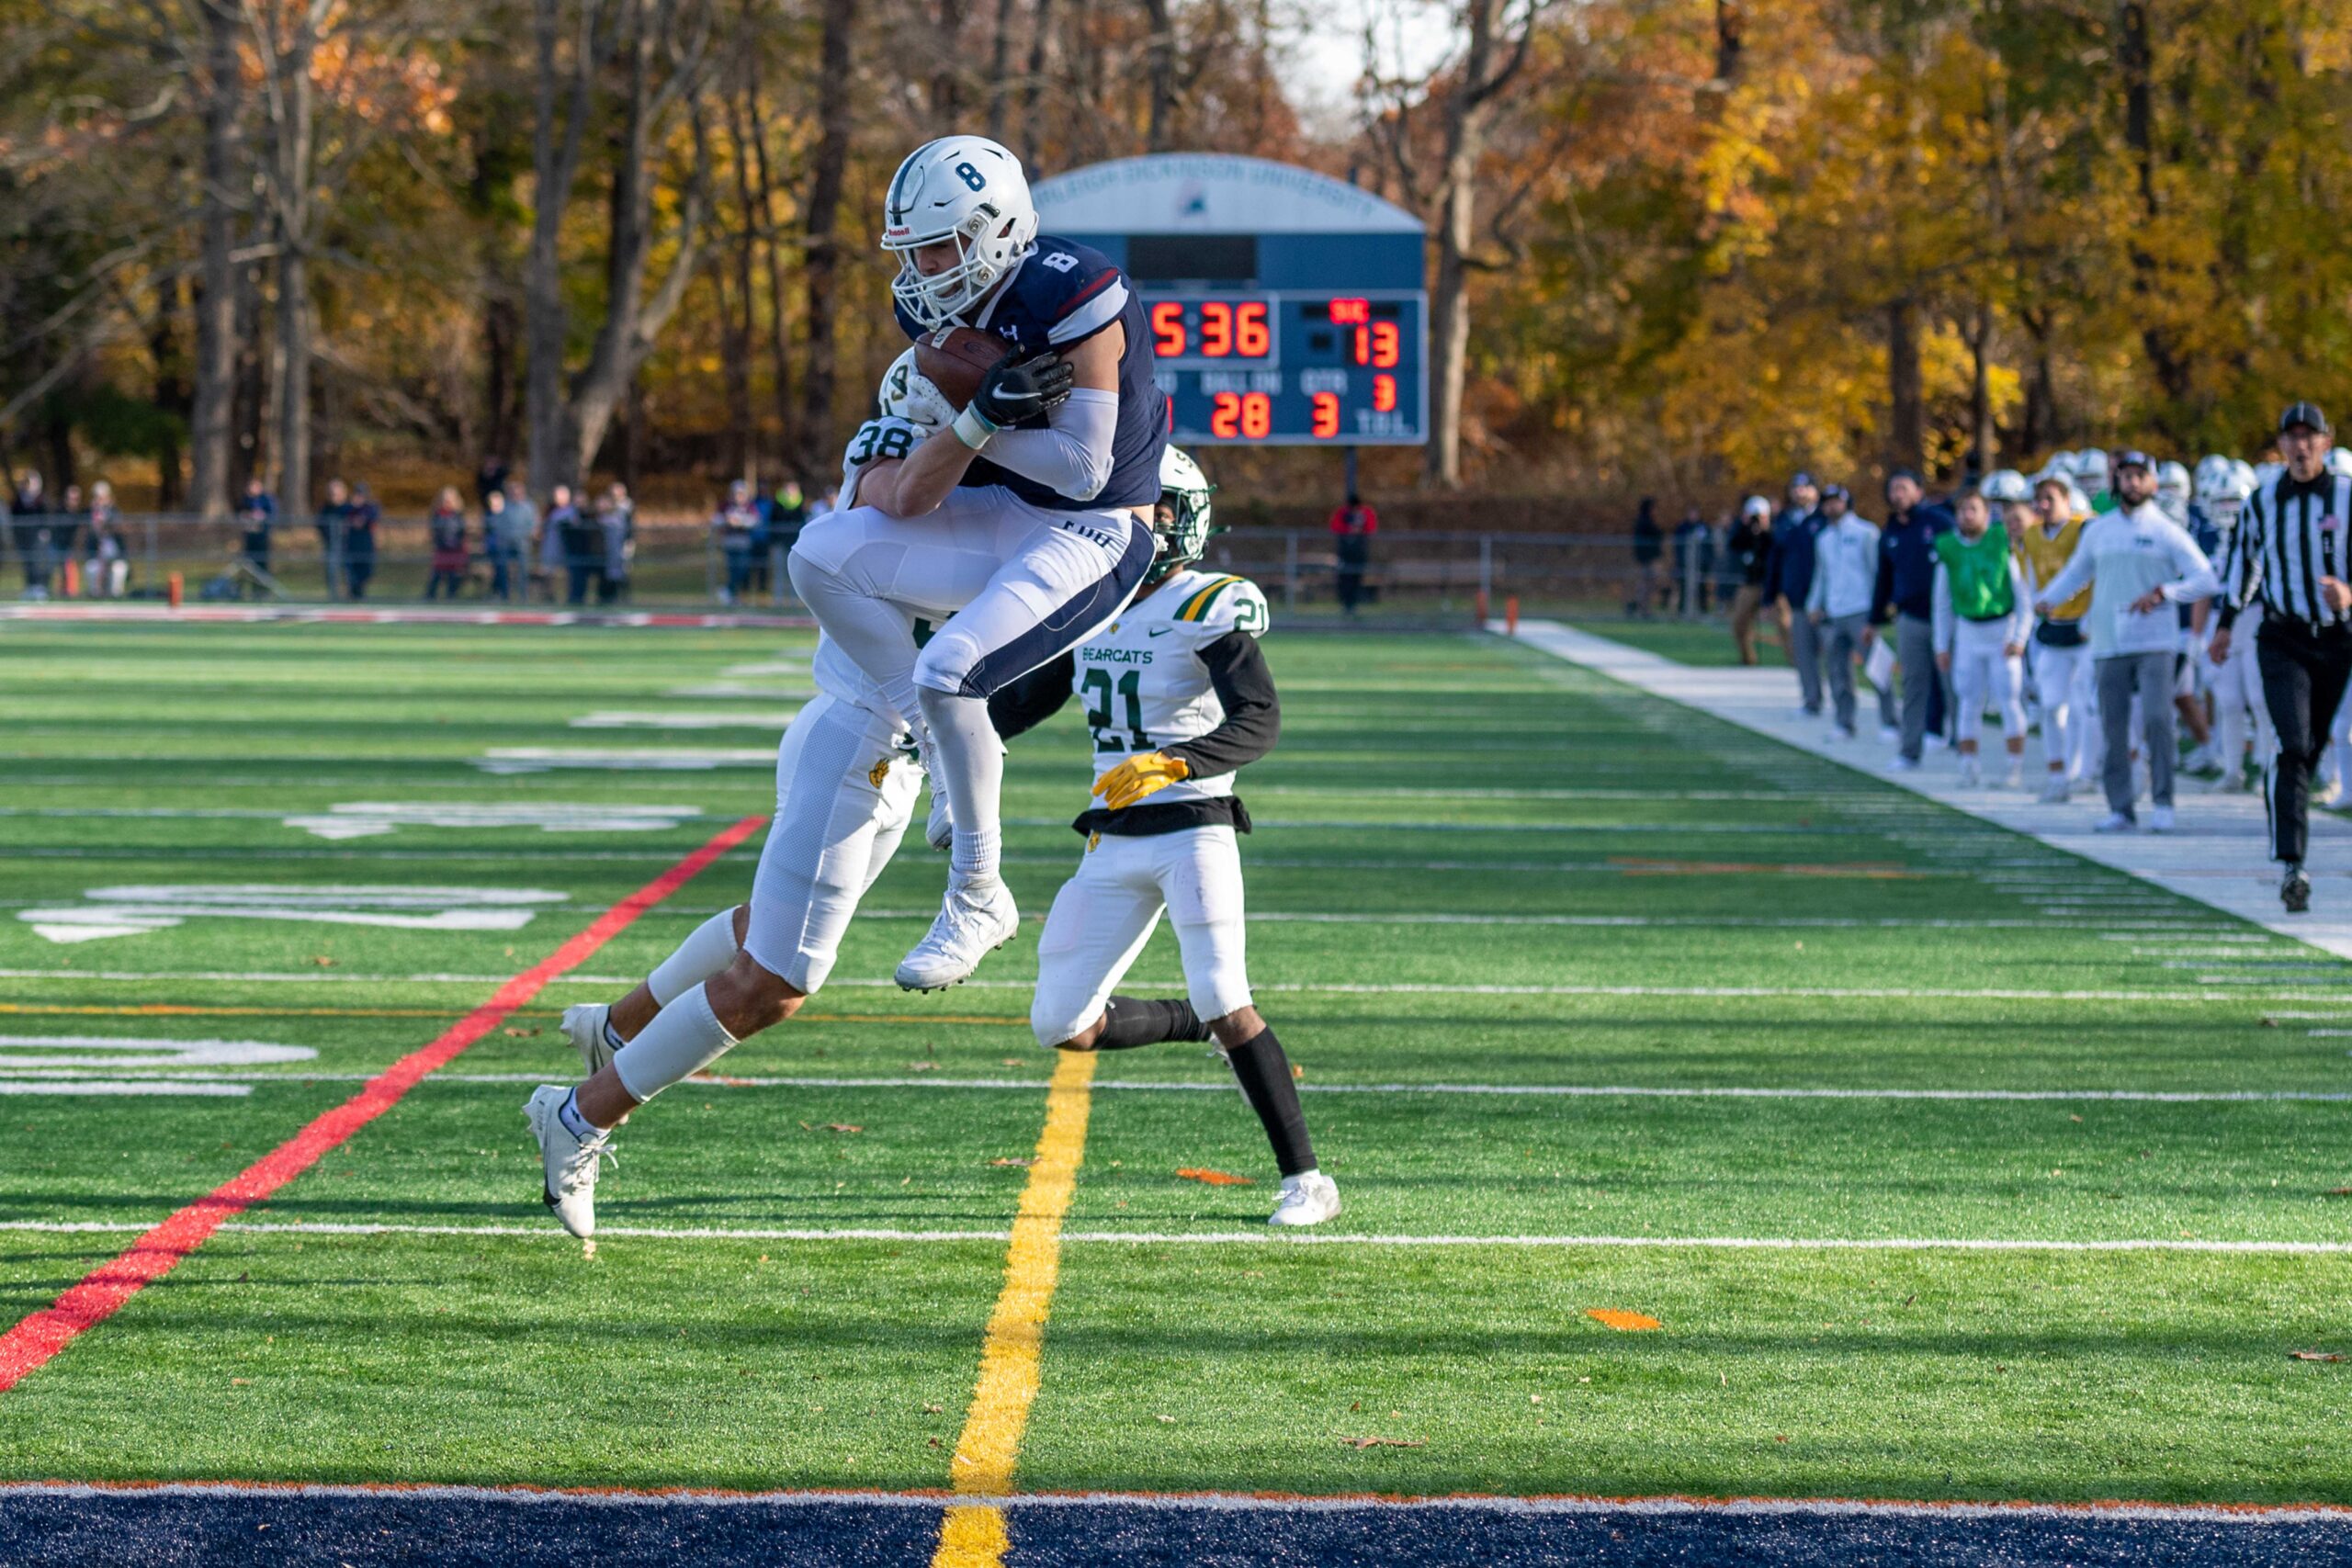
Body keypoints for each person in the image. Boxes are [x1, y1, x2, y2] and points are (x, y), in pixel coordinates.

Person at [524, 364, 949, 1237]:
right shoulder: (906, 461)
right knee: (779, 981)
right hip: (862, 739)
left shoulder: (944, 462)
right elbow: (910, 505)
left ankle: (617, 1024)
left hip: (877, 743)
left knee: (768, 928)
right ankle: (578, 1113)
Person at [787, 134, 1166, 995]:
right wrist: (964, 426)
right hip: (1002, 511)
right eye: (913, 248)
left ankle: (978, 893)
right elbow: (918, 486)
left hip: (1096, 531)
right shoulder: (931, 319)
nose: (923, 268)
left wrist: (987, 421)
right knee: (819, 553)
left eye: (939, 245)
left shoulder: (1072, 290)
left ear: (995, 230)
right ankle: (927, 742)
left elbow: (1085, 470)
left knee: (950, 667)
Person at [988, 447, 1338, 1226]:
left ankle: (1308, 1180)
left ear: (1180, 519)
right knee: (1062, 1024)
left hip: (1193, 829)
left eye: (1145, 511)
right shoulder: (1095, 606)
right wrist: (935, 722)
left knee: (1228, 992)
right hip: (1112, 839)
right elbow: (1018, 703)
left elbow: (1261, 718)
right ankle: (1195, 1025)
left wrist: (1175, 762)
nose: (1128, 526)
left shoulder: (1205, 604)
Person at [2210, 403, 2352, 911]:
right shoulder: (2263, 500)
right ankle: (2292, 863)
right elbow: (2244, 565)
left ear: (2326, 441)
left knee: (2310, 750)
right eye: (2292, 437)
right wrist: (2226, 623)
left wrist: (2350, 593)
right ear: (2281, 444)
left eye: (2309, 436)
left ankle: (2295, 826)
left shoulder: (2347, 495)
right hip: (2283, 637)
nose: (2300, 445)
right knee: (2291, 745)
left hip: (2338, 639)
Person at [2033, 450, 2220, 834]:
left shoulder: (2166, 530)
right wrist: (2048, 598)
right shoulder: (2099, 530)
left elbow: (2206, 578)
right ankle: (2120, 807)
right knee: (2112, 725)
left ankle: (2163, 802)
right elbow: (2076, 573)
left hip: (2155, 641)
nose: (2133, 483)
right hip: (2107, 641)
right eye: (2126, 476)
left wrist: (2165, 593)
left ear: (2152, 482)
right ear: (2116, 480)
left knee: (2157, 718)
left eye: (2140, 476)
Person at [1932, 487, 2030, 788]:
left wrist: (2020, 636)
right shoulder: (1948, 547)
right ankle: (1968, 765)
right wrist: (1941, 643)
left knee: (2009, 698)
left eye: (1974, 509)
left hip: (2002, 628)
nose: (1967, 515)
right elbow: (1942, 602)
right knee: (1968, 699)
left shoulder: (2000, 542)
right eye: (1963, 509)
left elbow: (2022, 594)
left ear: (1987, 515)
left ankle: (2014, 767)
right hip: (1968, 631)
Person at [2014, 473, 2096, 802]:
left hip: (2084, 628)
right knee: (2050, 706)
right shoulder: (2032, 535)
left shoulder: (2084, 528)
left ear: (2067, 499)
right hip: (2052, 628)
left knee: (2083, 707)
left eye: (2051, 498)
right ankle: (2057, 775)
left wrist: (2093, 617)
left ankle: (2084, 774)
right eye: (2040, 500)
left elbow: (2096, 572)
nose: (2044, 505)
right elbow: (2029, 578)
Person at [1871, 469, 1954, 772]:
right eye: (1894, 489)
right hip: (1910, 618)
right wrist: (1874, 618)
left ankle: (1964, 749)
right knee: (1913, 684)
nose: (1898, 495)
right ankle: (1909, 751)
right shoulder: (1890, 531)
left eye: (1903, 488)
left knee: (1953, 684)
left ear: (1919, 491)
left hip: (1946, 617)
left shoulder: (1940, 524)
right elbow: (1883, 578)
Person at [2196, 457, 2266, 793]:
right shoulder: (2204, 534)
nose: (2228, 508)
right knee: (2228, 700)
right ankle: (2233, 769)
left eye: (2234, 501)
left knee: (2260, 697)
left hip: (2254, 618)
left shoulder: (2263, 527)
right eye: (2222, 501)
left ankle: (2267, 767)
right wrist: (2197, 635)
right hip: (2219, 621)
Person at [1805, 485, 1888, 743]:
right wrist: (1814, 604)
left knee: (1877, 667)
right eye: (1827, 502)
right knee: (1838, 671)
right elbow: (1822, 575)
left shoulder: (1866, 532)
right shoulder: (1823, 538)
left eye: (1836, 501)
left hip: (1861, 609)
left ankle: (1891, 722)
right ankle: (1844, 722)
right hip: (1834, 610)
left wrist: (1878, 610)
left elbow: (1877, 572)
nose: (1831, 507)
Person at [1766, 474, 1825, 716]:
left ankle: (1849, 707)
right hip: (1798, 599)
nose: (1800, 492)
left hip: (1827, 602)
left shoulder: (1824, 519)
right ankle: (1812, 700)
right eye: (1795, 488)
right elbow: (1775, 560)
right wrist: (1769, 596)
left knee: (1835, 654)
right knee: (1803, 653)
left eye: (1805, 487)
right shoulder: (1785, 521)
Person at [1724, 496, 1773, 664]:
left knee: (1785, 625)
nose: (1757, 520)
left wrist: (1766, 530)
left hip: (1772, 585)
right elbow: (1733, 544)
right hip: (1750, 583)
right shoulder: (1744, 532)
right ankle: (1748, 659)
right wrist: (1744, 525)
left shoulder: (1773, 532)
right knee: (1739, 623)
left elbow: (1777, 547)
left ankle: (1796, 661)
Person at [1329, 490, 1377, 617]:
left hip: (1359, 552)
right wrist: (1348, 530)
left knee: (1356, 577)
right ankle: (1346, 604)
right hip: (1345, 553)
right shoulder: (1343, 513)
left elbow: (1372, 527)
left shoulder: (1365, 513)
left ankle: (1353, 605)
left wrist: (1360, 530)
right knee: (1344, 578)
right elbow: (1334, 526)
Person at [548, 484, 598, 605]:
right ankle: (573, 598)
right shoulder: (568, 514)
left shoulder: (589, 514)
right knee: (573, 576)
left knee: (582, 577)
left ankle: (581, 598)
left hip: (585, 551)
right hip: (572, 550)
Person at [715, 480, 761, 605]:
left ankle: (728, 591)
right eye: (737, 493)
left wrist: (741, 521)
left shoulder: (749, 507)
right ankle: (732, 596)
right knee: (732, 569)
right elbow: (716, 520)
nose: (739, 496)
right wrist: (727, 520)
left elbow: (756, 521)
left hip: (743, 542)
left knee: (742, 569)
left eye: (741, 494)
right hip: (730, 542)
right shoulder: (725, 505)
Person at [483, 486, 530, 602]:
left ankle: (523, 597)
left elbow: (532, 525)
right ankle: (505, 595)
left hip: (522, 544)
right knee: (503, 570)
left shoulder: (528, 508)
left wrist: (522, 536)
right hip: (506, 544)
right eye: (513, 493)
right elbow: (499, 524)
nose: (515, 495)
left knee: (522, 571)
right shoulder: (506, 507)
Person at [424, 487, 469, 600]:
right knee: (437, 572)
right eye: (445, 500)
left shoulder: (458, 515)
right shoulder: (437, 514)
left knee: (454, 573)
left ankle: (451, 595)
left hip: (455, 549)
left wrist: (461, 547)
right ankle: (430, 595)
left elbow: (462, 533)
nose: (447, 502)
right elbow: (434, 531)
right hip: (442, 548)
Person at [84, 480, 128, 598]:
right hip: (96, 555)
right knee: (92, 567)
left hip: (114, 555)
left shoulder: (115, 512)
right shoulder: (88, 514)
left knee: (119, 569)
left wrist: (106, 519)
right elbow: (87, 535)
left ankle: (115, 595)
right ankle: (95, 594)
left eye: (102, 497)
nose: (99, 501)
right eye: (97, 497)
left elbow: (119, 530)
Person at [315, 479, 354, 599]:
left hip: (348, 545)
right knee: (331, 571)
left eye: (336, 493)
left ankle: (352, 595)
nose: (334, 496)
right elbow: (320, 525)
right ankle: (334, 595)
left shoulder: (349, 509)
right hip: (331, 545)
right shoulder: (325, 509)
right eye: (332, 494)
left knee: (349, 571)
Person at [1671, 504, 1713, 615]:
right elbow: (1677, 546)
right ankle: (1682, 610)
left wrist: (1707, 560)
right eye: (1691, 513)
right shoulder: (1682, 527)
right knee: (1684, 587)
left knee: (1702, 586)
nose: (1693, 516)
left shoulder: (1703, 527)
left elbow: (1709, 545)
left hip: (1701, 563)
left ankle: (1703, 610)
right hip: (1685, 563)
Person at [235, 476, 276, 589]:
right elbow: (239, 512)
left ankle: (262, 589)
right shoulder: (245, 500)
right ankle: (246, 589)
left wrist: (261, 516)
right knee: (248, 564)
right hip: (249, 536)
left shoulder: (266, 499)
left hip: (262, 536)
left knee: (262, 563)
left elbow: (272, 514)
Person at [342, 483, 379, 600]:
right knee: (352, 571)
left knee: (366, 571)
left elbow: (363, 522)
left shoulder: (371, 508)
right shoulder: (349, 508)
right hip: (352, 544)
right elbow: (343, 519)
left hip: (366, 544)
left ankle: (359, 592)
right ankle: (354, 593)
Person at [597, 483, 634, 604]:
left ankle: (624, 597)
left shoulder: (626, 508)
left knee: (622, 570)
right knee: (609, 572)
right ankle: (608, 597)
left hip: (621, 545)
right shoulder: (606, 511)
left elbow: (629, 528)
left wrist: (628, 543)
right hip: (607, 548)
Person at [1628, 498, 1663, 617]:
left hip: (1648, 558)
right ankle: (1640, 608)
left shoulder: (1645, 521)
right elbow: (1657, 533)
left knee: (1649, 583)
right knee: (1645, 583)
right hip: (1645, 559)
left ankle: (1641, 607)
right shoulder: (1644, 522)